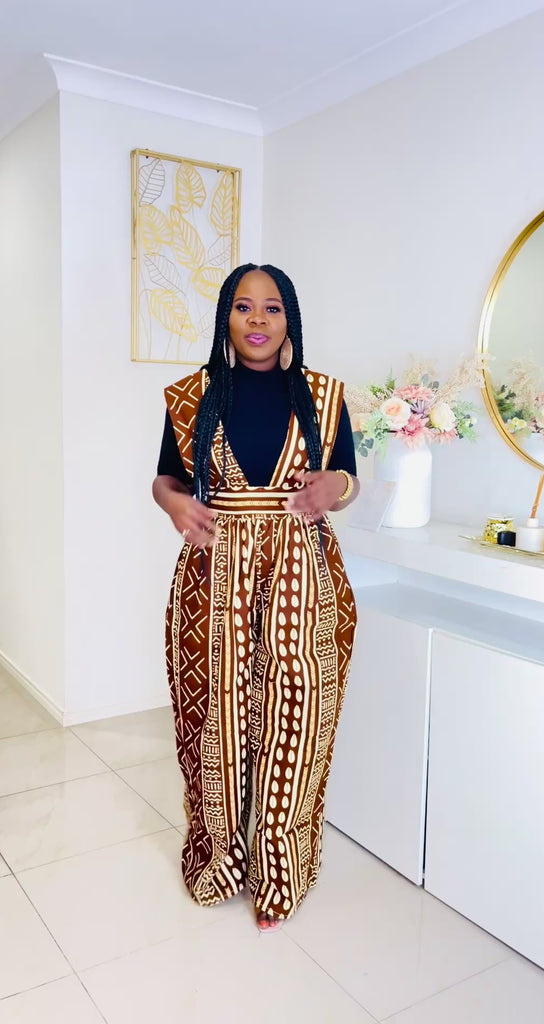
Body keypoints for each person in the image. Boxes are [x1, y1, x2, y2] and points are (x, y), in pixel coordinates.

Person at [153, 263, 359, 932]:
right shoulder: (191, 397)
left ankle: (281, 871)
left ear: (289, 318)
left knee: (299, 714)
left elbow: (348, 479)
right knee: (215, 714)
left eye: (272, 307)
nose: (258, 319)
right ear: (227, 318)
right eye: (244, 307)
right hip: (215, 572)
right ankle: (217, 859)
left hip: (304, 569)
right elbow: (165, 479)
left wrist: (338, 488)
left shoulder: (325, 396)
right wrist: (174, 505)